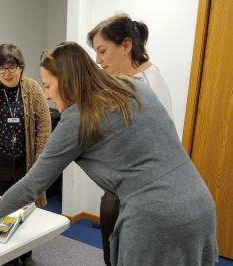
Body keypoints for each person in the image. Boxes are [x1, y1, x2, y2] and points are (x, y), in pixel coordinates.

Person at [0, 42, 218, 266]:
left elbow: (33, 184)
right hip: (200, 205)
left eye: (49, 86)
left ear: (68, 81)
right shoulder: (132, 85)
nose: (47, 95)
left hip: (155, 218)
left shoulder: (77, 119)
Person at [87, 13, 173, 265]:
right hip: (119, 187)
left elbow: (158, 145)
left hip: (143, 192)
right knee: (112, 255)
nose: (98, 60)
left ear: (126, 46)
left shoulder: (149, 84)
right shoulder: (124, 81)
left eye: (102, 51)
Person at [0, 43, 51, 266]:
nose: (7, 73)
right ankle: (4, 254)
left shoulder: (33, 89)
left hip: (27, 163)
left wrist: (40, 163)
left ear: (21, 67)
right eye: (1, 68)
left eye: (12, 67)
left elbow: (44, 128)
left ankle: (25, 254)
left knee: (26, 208)